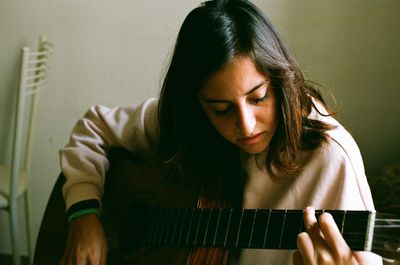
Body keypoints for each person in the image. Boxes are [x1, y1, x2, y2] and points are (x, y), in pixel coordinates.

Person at [58, 0, 382, 264]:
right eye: (221, 109)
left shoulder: (331, 157)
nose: (246, 125)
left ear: (281, 81)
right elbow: (93, 126)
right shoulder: (186, 120)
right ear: (197, 104)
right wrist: (85, 214)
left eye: (259, 97)